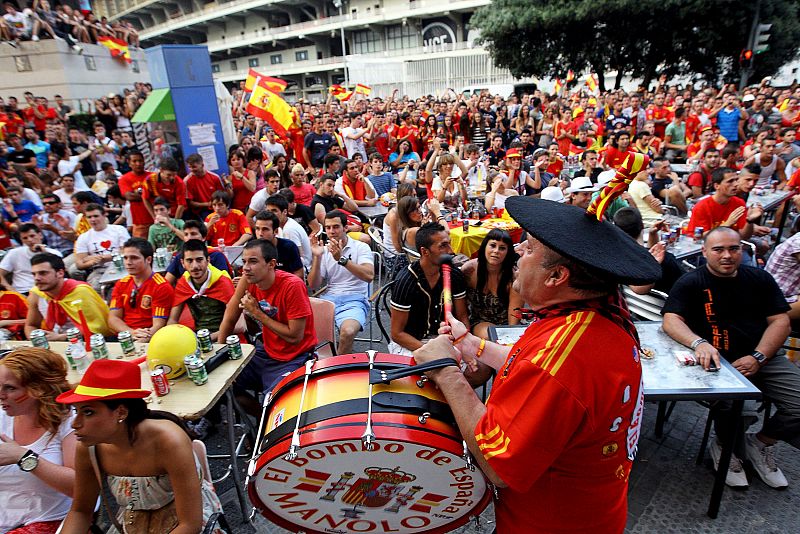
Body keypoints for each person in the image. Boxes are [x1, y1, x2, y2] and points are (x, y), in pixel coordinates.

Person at [412, 193, 661, 533]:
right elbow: (529, 361)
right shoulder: (593, 316)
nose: (516, 253)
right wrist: (471, 344)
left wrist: (445, 371)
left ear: (557, 276)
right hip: (591, 513)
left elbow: (496, 465)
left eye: (528, 249)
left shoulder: (565, 359)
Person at [662, 227, 797, 489]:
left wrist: (759, 356)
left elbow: (780, 321)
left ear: (742, 251)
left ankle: (759, 444)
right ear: (705, 252)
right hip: (719, 362)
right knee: (736, 407)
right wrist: (699, 342)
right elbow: (671, 319)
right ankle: (726, 448)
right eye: (718, 249)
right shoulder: (692, 281)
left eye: (734, 249)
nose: (727, 255)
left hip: (764, 355)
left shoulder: (759, 278)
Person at [57, 359, 223, 534]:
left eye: (88, 412)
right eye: (76, 411)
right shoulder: (88, 448)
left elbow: (190, 525)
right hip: (135, 523)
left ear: (121, 412)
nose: (75, 424)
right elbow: (81, 511)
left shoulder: (168, 441)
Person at [217, 240, 317, 414]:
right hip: (266, 353)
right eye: (244, 261)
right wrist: (219, 350)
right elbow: (230, 316)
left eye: (253, 261)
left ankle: (267, 423)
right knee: (220, 385)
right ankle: (261, 422)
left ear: (271, 264)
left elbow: (295, 337)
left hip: (295, 358)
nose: (246, 268)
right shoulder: (248, 280)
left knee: (277, 403)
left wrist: (257, 314)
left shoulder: (292, 286)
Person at [0, 347, 76, 534]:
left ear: (38, 389)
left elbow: (80, 487)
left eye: (10, 388)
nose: (1, 395)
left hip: (51, 519)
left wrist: (24, 458)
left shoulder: (70, 421)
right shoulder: (3, 415)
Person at [389, 222, 471, 356]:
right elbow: (397, 334)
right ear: (424, 251)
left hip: (447, 340)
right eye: (443, 246)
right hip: (412, 342)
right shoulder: (406, 281)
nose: (451, 251)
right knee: (444, 371)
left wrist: (463, 343)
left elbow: (462, 317)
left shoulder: (454, 275)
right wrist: (433, 351)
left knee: (480, 369)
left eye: (449, 244)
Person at [308, 210, 374, 355]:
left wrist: (342, 259)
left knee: (348, 332)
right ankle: (323, 365)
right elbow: (313, 285)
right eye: (328, 227)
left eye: (336, 227)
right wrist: (317, 258)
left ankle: (336, 370)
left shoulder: (361, 247)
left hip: (355, 299)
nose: (331, 231)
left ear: (345, 228)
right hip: (329, 299)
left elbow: (369, 275)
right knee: (303, 330)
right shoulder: (323, 251)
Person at [25, 253, 113, 341]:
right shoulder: (36, 294)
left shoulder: (81, 291)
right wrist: (36, 340)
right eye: (34, 274)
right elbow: (31, 325)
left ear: (60, 273)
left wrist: (61, 337)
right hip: (53, 342)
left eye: (43, 273)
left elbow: (99, 328)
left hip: (87, 342)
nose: (37, 278)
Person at [108, 238, 174, 342]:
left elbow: (159, 324)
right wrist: (131, 333)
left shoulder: (161, 286)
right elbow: (113, 318)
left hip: (149, 336)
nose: (128, 262)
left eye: (134, 258)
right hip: (126, 335)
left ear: (148, 259)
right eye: (125, 258)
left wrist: (141, 339)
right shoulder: (121, 284)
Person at [460, 229, 524, 337]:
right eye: (493, 245)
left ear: (508, 252)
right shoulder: (469, 270)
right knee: (490, 335)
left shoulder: (513, 277)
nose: (496, 251)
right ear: (484, 246)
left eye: (502, 248)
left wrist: (509, 337)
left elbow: (514, 319)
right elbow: (460, 306)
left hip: (507, 326)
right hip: (479, 322)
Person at [169, 239, 235, 336]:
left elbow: (240, 325)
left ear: (208, 260)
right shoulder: (183, 283)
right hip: (199, 336)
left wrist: (208, 339)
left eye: (199, 260)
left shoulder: (223, 281)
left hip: (225, 336)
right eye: (189, 261)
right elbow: (172, 320)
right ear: (182, 263)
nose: (195, 266)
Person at [613, 207, 686, 294]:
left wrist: (653, 234)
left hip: (635, 306)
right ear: (642, 225)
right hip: (668, 305)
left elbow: (647, 253)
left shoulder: (616, 258)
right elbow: (689, 285)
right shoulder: (666, 260)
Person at [686, 167, 761, 240]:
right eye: (730, 181)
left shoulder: (739, 203)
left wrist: (750, 221)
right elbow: (698, 238)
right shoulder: (702, 206)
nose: (736, 184)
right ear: (717, 186)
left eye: (736, 180)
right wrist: (726, 225)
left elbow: (744, 236)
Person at [73, 204, 130, 291]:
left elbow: (126, 252)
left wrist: (104, 257)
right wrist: (92, 262)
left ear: (104, 215)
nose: (93, 220)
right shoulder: (83, 237)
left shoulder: (119, 229)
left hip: (122, 266)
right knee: (95, 288)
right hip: (99, 269)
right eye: (89, 217)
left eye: (96, 216)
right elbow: (79, 264)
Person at [163, 221, 232, 284]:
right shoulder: (180, 256)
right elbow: (167, 283)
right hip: (186, 294)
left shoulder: (216, 255)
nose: (189, 238)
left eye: (193, 234)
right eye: (186, 234)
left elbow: (224, 282)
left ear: (204, 237)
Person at [0, 223, 61, 294]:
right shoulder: (14, 253)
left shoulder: (54, 253)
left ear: (40, 235)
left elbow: (59, 274)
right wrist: (9, 288)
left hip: (46, 291)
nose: (29, 240)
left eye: (32, 236)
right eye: (25, 238)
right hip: (21, 291)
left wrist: (44, 252)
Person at [252, 210, 304, 278]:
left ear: (276, 231)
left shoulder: (289, 247)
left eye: (265, 229)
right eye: (257, 229)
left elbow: (299, 275)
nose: (260, 233)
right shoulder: (252, 248)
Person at [266, 194, 312, 269]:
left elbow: (298, 257)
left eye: (274, 211)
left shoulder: (289, 229)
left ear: (284, 212)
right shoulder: (281, 225)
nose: (270, 214)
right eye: (268, 211)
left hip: (302, 269)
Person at [185, 153, 227, 220]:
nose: (191, 169)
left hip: (218, 207)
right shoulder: (187, 181)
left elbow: (223, 196)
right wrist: (207, 204)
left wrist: (215, 205)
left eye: (194, 167)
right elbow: (190, 203)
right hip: (201, 211)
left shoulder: (215, 177)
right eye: (189, 167)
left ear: (202, 165)